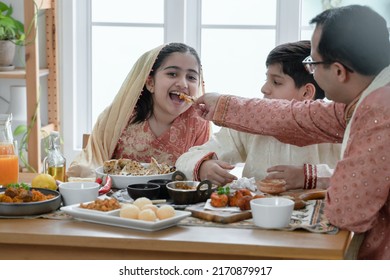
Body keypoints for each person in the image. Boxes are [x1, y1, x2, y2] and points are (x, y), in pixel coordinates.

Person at [194, 5, 390, 260]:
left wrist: (310, 177)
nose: (265, 89)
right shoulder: (369, 98)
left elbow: (346, 211)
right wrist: (222, 104)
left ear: (339, 71)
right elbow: (297, 117)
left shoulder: (379, 110)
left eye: (313, 63)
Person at [176, 41, 341, 188]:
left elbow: (358, 175)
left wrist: (309, 176)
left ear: (306, 93)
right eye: (266, 79)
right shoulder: (249, 123)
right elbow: (186, 159)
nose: (264, 89)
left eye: (276, 82)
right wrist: (204, 166)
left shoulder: (335, 124)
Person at [67, 43, 211, 178]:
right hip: (118, 201)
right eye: (172, 74)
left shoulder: (198, 122)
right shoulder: (120, 114)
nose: (183, 84)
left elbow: (198, 175)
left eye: (191, 77)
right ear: (150, 83)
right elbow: (92, 164)